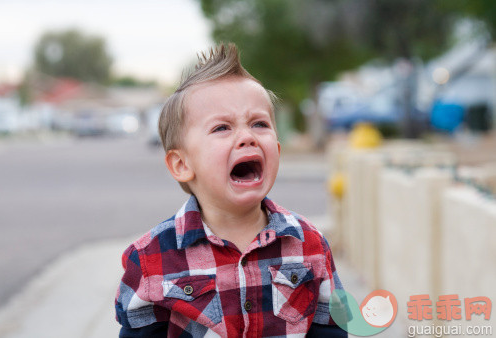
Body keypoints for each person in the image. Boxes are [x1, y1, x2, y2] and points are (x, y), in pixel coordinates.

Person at [115, 43, 346, 337]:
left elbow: (333, 327)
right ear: (182, 164)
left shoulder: (310, 244)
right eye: (222, 128)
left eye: (259, 124)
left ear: (276, 149)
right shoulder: (151, 260)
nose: (247, 137)